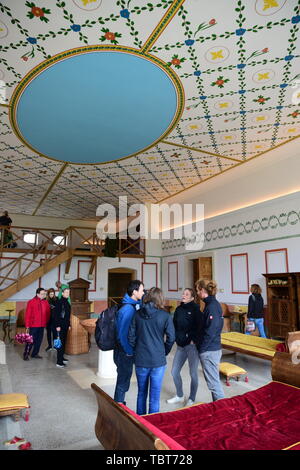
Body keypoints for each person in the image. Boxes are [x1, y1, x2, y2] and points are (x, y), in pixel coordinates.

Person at [128, 287, 175, 415]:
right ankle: (152, 428)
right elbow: (171, 337)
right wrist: (164, 351)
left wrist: (136, 349)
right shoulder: (165, 315)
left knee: (141, 393)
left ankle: (140, 424)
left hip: (141, 359)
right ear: (160, 298)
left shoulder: (137, 314)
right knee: (154, 397)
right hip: (157, 361)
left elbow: (131, 336)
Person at [167, 288, 200, 406]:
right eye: (183, 293)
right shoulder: (179, 309)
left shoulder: (196, 309)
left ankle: (191, 398)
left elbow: (199, 327)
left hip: (191, 347)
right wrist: (176, 338)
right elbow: (174, 325)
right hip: (180, 346)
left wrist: (193, 340)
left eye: (187, 294)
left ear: (192, 298)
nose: (184, 295)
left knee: (193, 374)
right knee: (174, 371)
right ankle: (180, 396)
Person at [113, 280, 144, 405]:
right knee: (123, 380)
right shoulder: (128, 309)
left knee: (124, 378)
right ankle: (118, 406)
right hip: (124, 352)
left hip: (124, 351)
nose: (143, 292)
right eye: (141, 290)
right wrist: (129, 351)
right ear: (134, 292)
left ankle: (119, 403)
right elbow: (121, 335)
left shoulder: (131, 304)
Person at [195, 279, 225, 402]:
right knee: (213, 383)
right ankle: (218, 408)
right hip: (212, 349)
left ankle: (223, 411)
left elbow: (211, 331)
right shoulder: (212, 304)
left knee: (214, 385)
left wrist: (202, 349)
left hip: (210, 350)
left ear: (203, 290)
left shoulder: (212, 306)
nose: (197, 293)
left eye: (198, 290)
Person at [24, 287, 50, 360]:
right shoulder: (31, 302)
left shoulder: (45, 302)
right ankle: (26, 354)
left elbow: (48, 313)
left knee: (39, 341)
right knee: (30, 340)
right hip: (33, 325)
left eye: (44, 294)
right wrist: (27, 325)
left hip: (42, 325)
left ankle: (35, 354)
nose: (43, 295)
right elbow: (28, 314)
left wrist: (46, 322)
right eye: (42, 294)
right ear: (37, 294)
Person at [53, 287, 71, 368]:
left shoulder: (67, 302)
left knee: (64, 342)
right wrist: (57, 326)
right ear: (62, 293)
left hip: (65, 325)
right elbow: (56, 315)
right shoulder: (59, 302)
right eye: (66, 292)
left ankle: (62, 358)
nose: (67, 294)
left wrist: (69, 324)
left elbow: (67, 316)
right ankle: (59, 362)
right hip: (60, 326)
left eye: (68, 292)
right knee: (60, 344)